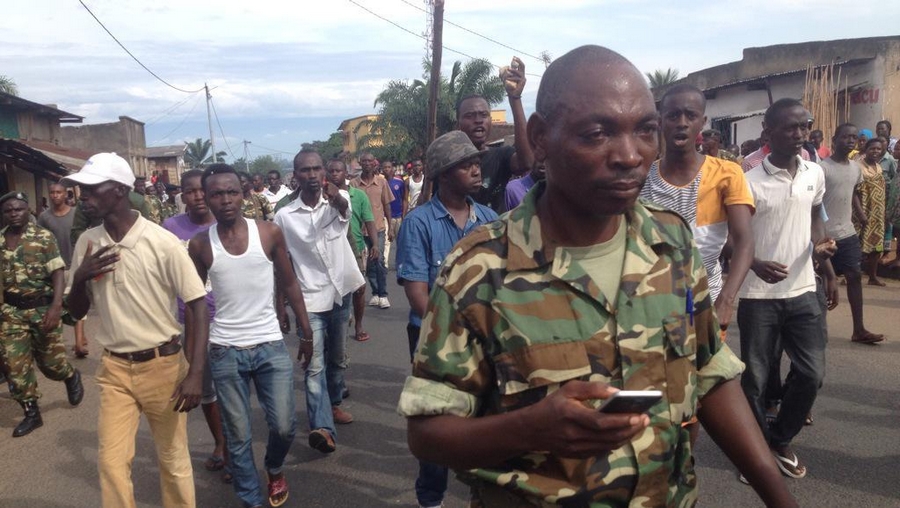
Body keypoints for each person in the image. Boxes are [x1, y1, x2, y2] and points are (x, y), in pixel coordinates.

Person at [398, 45, 797, 508]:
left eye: (645, 130)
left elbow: (710, 371)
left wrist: (779, 498)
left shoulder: (671, 242)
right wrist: (528, 429)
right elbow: (427, 434)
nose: (629, 155)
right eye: (597, 134)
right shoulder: (479, 268)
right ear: (541, 138)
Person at [63, 152, 209, 508]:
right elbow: (76, 311)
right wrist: (80, 278)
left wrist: (195, 373)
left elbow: (197, 304)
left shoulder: (162, 242)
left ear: (119, 190)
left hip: (164, 366)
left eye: (91, 189)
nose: (83, 197)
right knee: (111, 462)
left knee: (172, 459)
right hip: (114, 369)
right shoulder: (87, 243)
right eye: (82, 189)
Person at [188, 164, 313, 508]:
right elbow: (195, 305)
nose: (226, 200)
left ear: (243, 194)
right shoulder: (200, 245)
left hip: (270, 344)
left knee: (284, 425)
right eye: (217, 194)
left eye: (232, 192)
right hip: (225, 350)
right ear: (207, 199)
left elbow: (289, 282)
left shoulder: (268, 233)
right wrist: (193, 366)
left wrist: (306, 332)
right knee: (238, 435)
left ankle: (274, 467)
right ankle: (250, 499)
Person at [397, 130, 499, 508]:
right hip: (433, 337)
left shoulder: (490, 219)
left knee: (487, 419)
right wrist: (454, 332)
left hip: (486, 339)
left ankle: (482, 493)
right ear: (442, 175)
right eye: (465, 165)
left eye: (476, 163)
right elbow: (417, 293)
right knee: (438, 420)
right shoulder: (419, 223)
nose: (476, 170)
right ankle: (431, 499)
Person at [739, 98, 838, 480]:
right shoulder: (748, 181)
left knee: (812, 373)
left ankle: (779, 439)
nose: (799, 134)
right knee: (756, 380)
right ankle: (757, 454)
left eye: (804, 126)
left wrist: (822, 253)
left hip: (803, 290)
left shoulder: (815, 172)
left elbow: (814, 217)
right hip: (757, 296)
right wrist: (754, 263)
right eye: (790, 127)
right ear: (768, 132)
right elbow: (732, 239)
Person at [641, 83, 755, 331]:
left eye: (690, 116)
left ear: (702, 122)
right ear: (660, 122)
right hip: (650, 303)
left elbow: (744, 240)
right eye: (673, 116)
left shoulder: (727, 173)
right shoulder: (643, 176)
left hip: (706, 300)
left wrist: (726, 299)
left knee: (708, 358)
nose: (682, 123)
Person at [275, 149, 365, 453]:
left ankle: (334, 403)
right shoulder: (284, 216)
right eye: (305, 170)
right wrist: (280, 305)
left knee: (336, 358)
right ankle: (322, 427)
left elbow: (345, 212)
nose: (312, 175)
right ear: (295, 176)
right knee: (314, 366)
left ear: (324, 172)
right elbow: (282, 264)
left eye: (316, 169)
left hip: (340, 292)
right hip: (309, 298)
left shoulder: (340, 200)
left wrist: (336, 197)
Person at [162, 169, 230, 479]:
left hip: (227, 319)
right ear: (183, 195)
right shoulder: (170, 229)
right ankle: (221, 444)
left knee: (230, 388)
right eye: (190, 191)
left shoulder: (225, 223)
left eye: (202, 190)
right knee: (205, 389)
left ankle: (234, 449)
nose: (198, 196)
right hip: (188, 320)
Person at [0, 191, 84, 437]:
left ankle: (70, 375)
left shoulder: (43, 237)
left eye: (18, 209)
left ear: (28, 210)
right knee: (14, 365)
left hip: (42, 309)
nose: (14, 214)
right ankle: (32, 413)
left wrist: (56, 306)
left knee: (51, 365)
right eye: (8, 211)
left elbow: (57, 272)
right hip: (11, 313)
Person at [820, 124, 884, 344]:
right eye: (845, 137)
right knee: (822, 280)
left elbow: (854, 193)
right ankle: (818, 329)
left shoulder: (856, 169)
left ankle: (859, 329)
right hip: (825, 235)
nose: (850, 141)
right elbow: (815, 204)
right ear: (834, 139)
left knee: (855, 276)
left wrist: (861, 214)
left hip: (847, 232)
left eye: (854, 138)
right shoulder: (822, 169)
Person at [326, 159, 378, 344]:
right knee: (335, 290)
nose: (334, 174)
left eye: (338, 171)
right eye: (331, 171)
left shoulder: (359, 195)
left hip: (355, 247)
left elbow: (369, 220)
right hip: (332, 251)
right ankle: (338, 323)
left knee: (359, 288)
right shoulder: (322, 198)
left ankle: (358, 325)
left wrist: (375, 244)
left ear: (345, 174)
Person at [37, 181, 84, 357]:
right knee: (56, 304)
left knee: (77, 302)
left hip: (74, 265)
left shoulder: (76, 214)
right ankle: (57, 343)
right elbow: (40, 242)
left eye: (59, 192)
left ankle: (79, 342)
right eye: (52, 192)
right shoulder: (44, 217)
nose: (55, 195)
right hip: (54, 269)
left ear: (66, 194)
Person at [351, 152, 393, 309]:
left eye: (370, 161)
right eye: (364, 161)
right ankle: (375, 292)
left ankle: (383, 294)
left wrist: (390, 227)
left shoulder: (381, 182)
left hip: (378, 228)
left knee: (379, 260)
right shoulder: (354, 184)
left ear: (374, 163)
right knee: (367, 264)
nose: (367, 163)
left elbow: (386, 205)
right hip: (360, 232)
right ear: (360, 163)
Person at [855, 137, 888, 286]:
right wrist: (860, 213)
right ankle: (851, 275)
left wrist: (883, 211)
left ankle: (872, 277)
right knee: (858, 245)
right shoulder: (858, 167)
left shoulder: (878, 167)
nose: (875, 151)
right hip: (863, 212)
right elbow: (854, 193)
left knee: (877, 245)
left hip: (877, 213)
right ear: (866, 150)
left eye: (878, 149)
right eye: (872, 148)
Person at [384, 160, 405, 270]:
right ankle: (384, 265)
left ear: (392, 169)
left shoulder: (400, 182)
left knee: (400, 241)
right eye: (385, 167)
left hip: (398, 217)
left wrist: (403, 215)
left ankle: (400, 263)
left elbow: (404, 199)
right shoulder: (381, 182)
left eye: (389, 167)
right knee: (386, 243)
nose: (387, 169)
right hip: (385, 217)